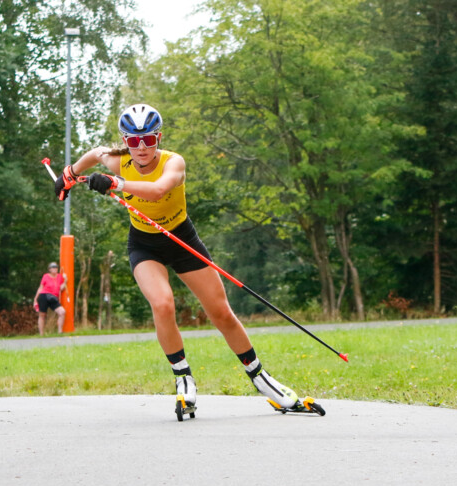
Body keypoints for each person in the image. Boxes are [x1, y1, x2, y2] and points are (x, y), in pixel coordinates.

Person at [54, 103, 301, 412]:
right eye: (133, 141)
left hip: (182, 239)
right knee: (163, 304)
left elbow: (157, 191)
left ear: (160, 138)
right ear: (124, 141)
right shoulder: (119, 161)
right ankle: (183, 378)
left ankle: (261, 379)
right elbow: (95, 154)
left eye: (149, 140)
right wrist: (69, 174)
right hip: (145, 244)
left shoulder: (174, 163)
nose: (141, 148)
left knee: (221, 312)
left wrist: (115, 184)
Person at [33, 262, 67, 335]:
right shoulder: (45, 276)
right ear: (49, 269)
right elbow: (40, 288)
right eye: (53, 267)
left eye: (56, 267)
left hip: (53, 297)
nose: (55, 269)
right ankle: (41, 334)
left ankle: (60, 331)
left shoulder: (59, 277)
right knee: (42, 315)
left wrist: (66, 280)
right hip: (44, 296)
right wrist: (35, 299)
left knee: (62, 312)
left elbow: (61, 288)